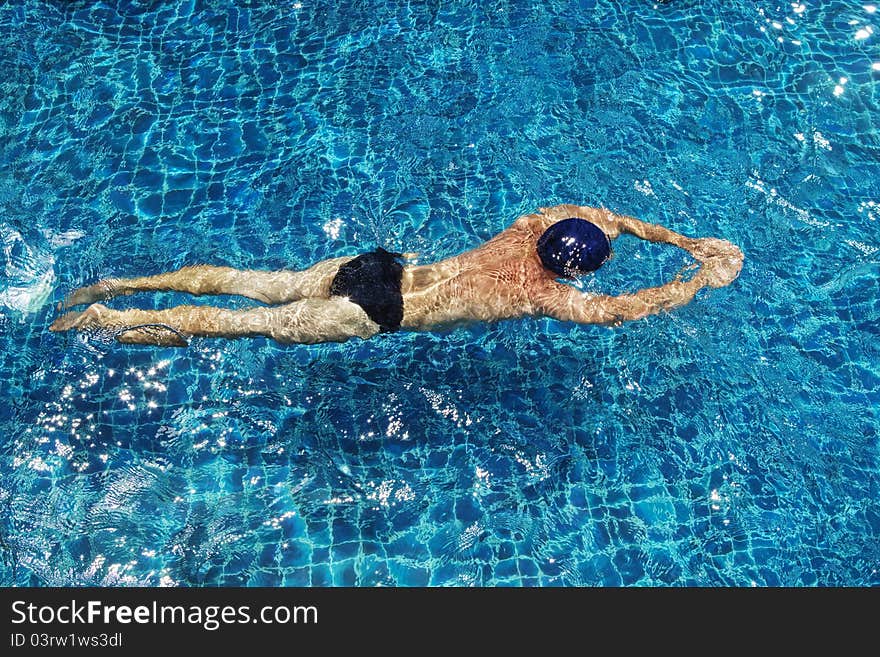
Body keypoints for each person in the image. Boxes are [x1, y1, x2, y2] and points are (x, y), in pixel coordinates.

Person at [49, 204, 744, 347]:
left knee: (245, 280)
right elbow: (619, 310)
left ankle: (117, 286)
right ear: (576, 270)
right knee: (243, 325)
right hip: (374, 314)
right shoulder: (542, 292)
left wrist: (686, 238)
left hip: (377, 266)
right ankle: (109, 322)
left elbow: (606, 215)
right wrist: (692, 281)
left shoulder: (534, 225)